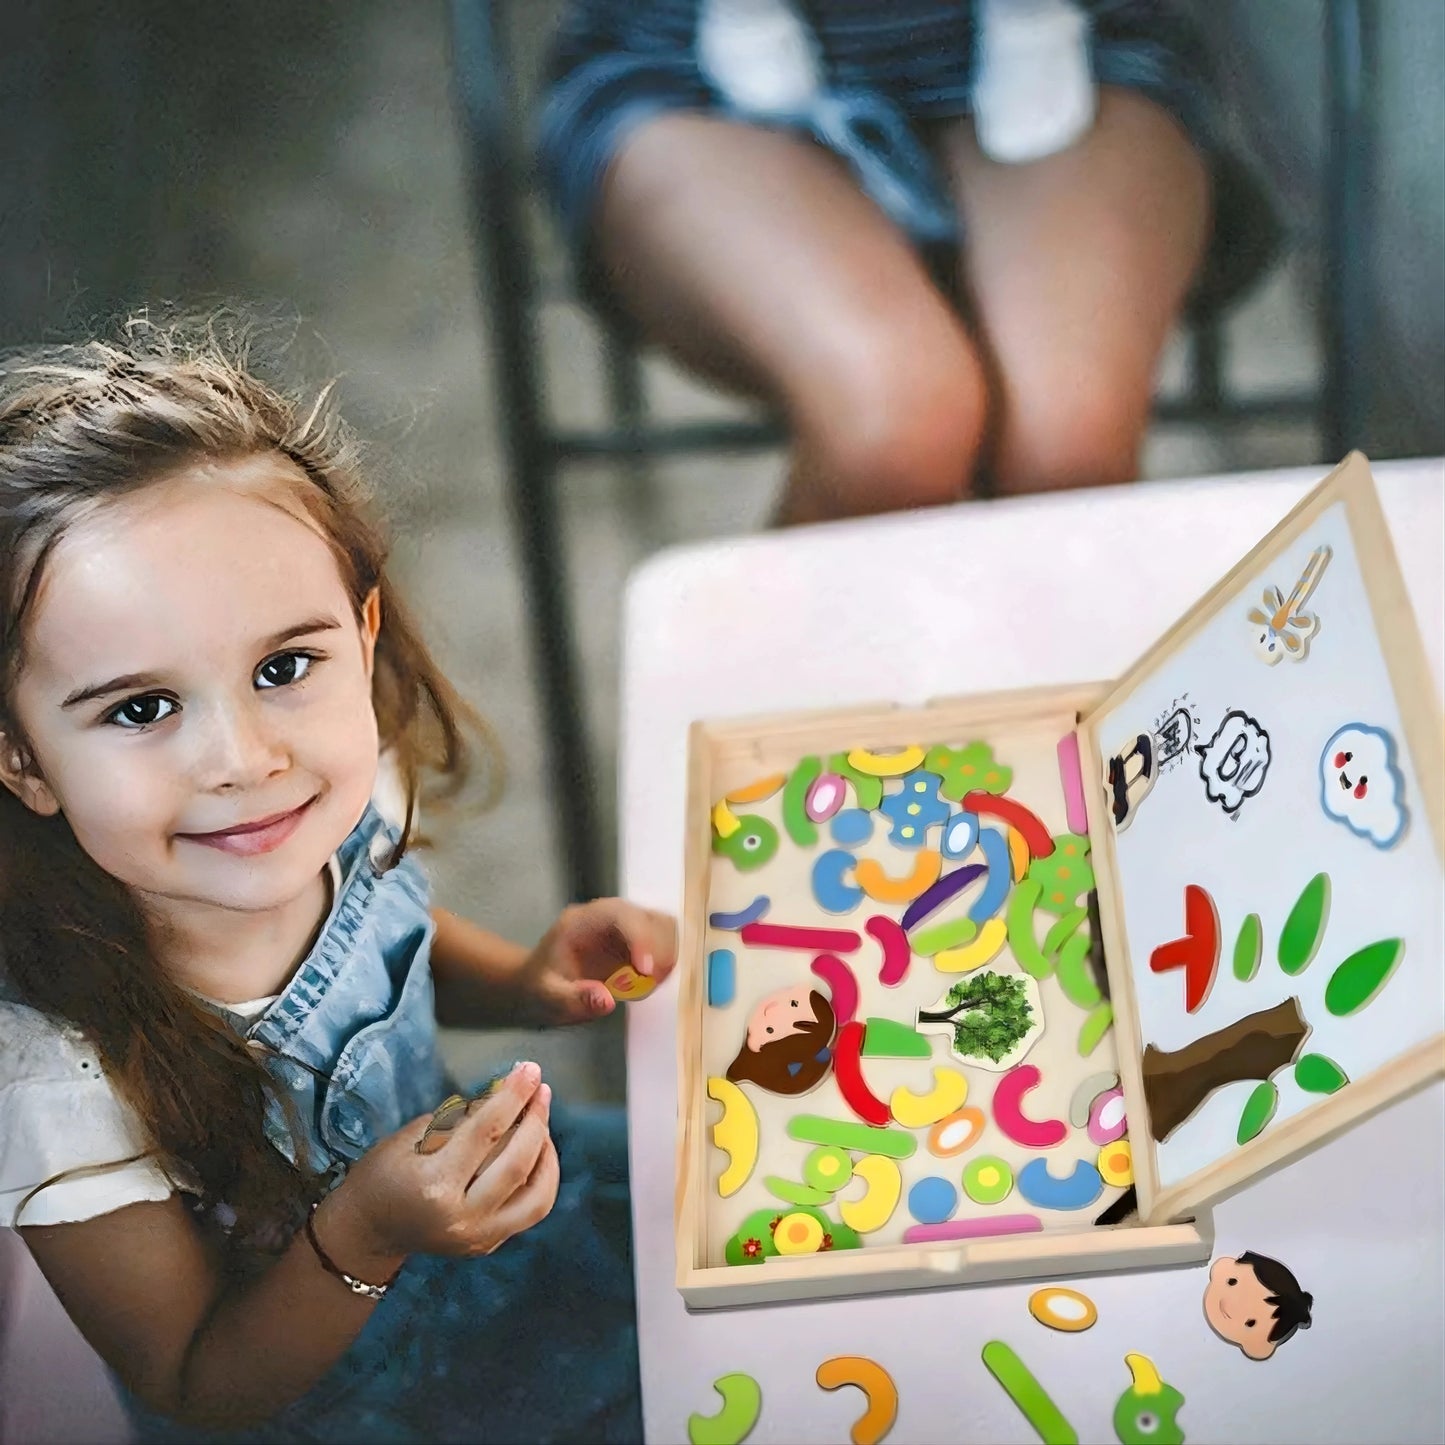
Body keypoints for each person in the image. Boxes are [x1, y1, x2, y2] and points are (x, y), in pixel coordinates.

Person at [0, 316, 677, 1444]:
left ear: (360, 635)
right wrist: (360, 1231)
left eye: (282, 666)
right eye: (140, 706)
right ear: (21, 757)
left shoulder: (339, 799)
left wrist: (521, 978)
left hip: (518, 1253)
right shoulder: (55, 1080)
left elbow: (379, 937)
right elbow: (196, 1380)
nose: (245, 757)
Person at [539, 0, 1277, 525]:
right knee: (893, 428)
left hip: (1083, 53)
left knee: (1068, 453)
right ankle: (808, 729)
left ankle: (1010, 722)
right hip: (686, 66)